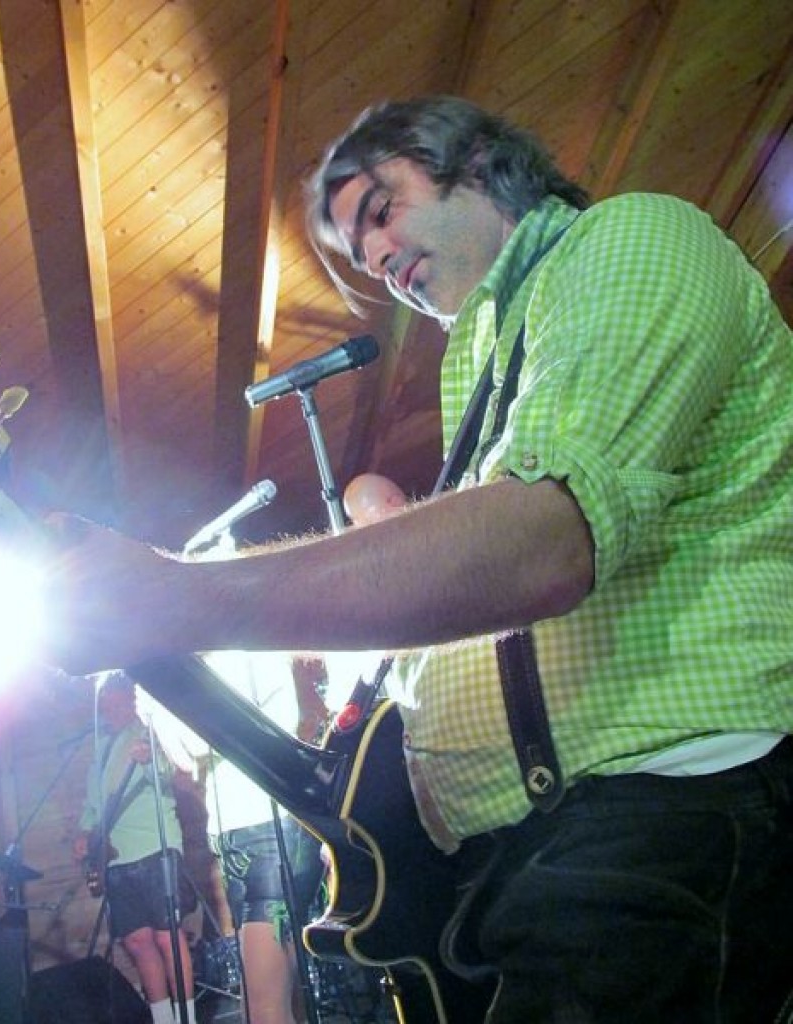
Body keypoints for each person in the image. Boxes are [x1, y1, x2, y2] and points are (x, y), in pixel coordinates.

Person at [50, 94, 793, 1023]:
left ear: (475, 162)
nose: (378, 261)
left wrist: (180, 598)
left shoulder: (630, 238)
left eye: (380, 210)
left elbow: (541, 540)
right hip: (536, 850)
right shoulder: (485, 354)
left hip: (671, 807)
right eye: (362, 256)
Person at [203, 651, 326, 1024]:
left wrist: (159, 702)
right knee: (273, 999)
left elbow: (196, 744)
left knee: (265, 1008)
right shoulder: (203, 664)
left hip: (268, 833)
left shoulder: (246, 657)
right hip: (233, 837)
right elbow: (182, 755)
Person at [73, 672, 198, 1024]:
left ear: (130, 700)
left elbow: (167, 772)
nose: (109, 709)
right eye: (105, 704)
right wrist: (83, 833)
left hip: (154, 846)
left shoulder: (148, 730)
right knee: (137, 941)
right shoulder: (101, 749)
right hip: (115, 857)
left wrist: (149, 760)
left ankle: (187, 1018)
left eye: (116, 701)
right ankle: (163, 1019)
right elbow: (93, 805)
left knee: (167, 936)